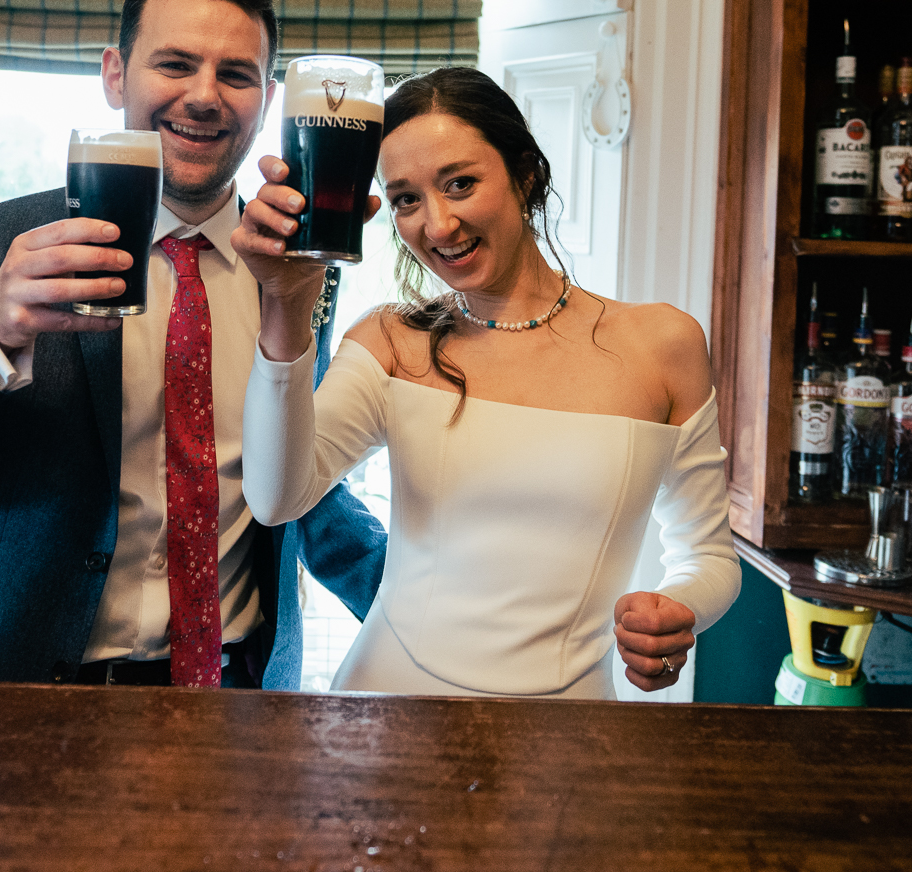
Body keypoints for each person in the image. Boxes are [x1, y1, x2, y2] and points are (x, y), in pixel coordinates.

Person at [0, 0, 387, 688]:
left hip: (237, 701)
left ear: (267, 98)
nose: (204, 97)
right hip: (18, 693)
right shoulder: (2, 241)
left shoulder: (298, 268)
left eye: (235, 75)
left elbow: (300, 486)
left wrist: (434, 618)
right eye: (174, 64)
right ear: (115, 75)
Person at [233, 66, 738, 698]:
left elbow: (709, 557)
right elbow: (277, 497)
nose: (438, 225)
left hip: (567, 736)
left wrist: (677, 609)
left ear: (526, 173)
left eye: (461, 184)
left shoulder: (664, 346)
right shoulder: (391, 342)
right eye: (406, 200)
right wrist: (284, 307)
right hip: (382, 710)